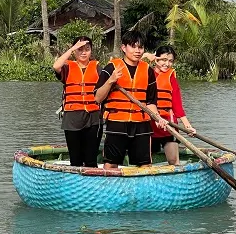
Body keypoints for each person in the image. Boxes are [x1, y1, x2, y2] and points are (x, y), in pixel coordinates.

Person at [94, 30, 167, 169]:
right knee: (110, 163)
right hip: (117, 122)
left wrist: (158, 118)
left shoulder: (148, 70)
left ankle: (142, 189)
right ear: (124, 48)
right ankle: (111, 189)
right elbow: (98, 98)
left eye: (140, 47)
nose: (137, 51)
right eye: (133, 46)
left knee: (145, 164)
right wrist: (110, 81)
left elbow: (151, 102)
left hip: (141, 124)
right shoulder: (112, 68)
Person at [52, 36, 102, 167]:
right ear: (74, 51)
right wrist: (72, 48)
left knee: (91, 158)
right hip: (72, 116)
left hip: (93, 116)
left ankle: (91, 183)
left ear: (91, 51)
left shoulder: (97, 68)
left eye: (87, 49)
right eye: (80, 49)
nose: (84, 52)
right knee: (76, 159)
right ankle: (76, 184)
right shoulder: (68, 67)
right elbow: (56, 65)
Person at [143, 45, 196, 165]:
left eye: (170, 61)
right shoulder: (145, 72)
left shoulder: (171, 77)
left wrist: (187, 126)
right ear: (156, 58)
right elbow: (129, 64)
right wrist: (146, 56)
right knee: (146, 161)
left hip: (168, 124)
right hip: (149, 123)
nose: (167, 64)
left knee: (173, 161)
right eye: (163, 60)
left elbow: (177, 105)